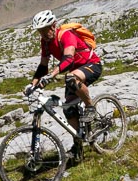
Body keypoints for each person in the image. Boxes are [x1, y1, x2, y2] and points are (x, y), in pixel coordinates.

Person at [24, 10, 103, 161]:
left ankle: (90, 107)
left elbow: (68, 59)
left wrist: (52, 75)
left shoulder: (66, 35)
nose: (42, 34)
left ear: (53, 26)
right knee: (69, 109)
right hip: (76, 72)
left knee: (71, 78)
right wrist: (32, 84)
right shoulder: (46, 42)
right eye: (39, 31)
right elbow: (43, 66)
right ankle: (78, 148)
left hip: (92, 65)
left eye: (44, 30)